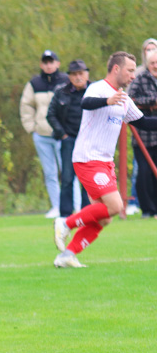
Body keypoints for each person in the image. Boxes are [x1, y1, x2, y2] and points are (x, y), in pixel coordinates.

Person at [54, 51, 157, 268]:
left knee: (104, 218)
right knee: (115, 205)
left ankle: (67, 255)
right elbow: (86, 103)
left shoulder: (124, 98)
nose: (133, 76)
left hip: (104, 163)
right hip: (88, 159)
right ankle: (66, 222)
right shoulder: (98, 88)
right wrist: (108, 100)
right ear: (116, 69)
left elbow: (144, 123)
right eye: (130, 71)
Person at [20, 50, 69, 219]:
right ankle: (56, 206)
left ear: (57, 63)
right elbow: (26, 106)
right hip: (42, 134)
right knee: (50, 173)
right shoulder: (35, 83)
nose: (48, 65)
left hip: (62, 134)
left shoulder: (66, 81)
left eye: (51, 61)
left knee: (68, 171)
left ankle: (72, 206)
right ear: (41, 64)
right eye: (45, 62)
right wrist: (31, 127)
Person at [47, 59, 91, 217]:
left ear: (87, 74)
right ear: (69, 76)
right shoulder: (61, 91)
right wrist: (63, 135)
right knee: (67, 177)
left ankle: (87, 213)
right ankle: (65, 214)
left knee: (87, 178)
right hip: (69, 140)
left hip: (88, 141)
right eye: (74, 74)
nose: (78, 77)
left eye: (81, 73)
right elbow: (50, 115)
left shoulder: (94, 91)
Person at [126, 50, 157, 218]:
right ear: (148, 64)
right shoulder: (140, 78)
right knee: (143, 173)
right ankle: (147, 209)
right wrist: (152, 102)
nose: (155, 66)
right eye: (152, 63)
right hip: (142, 136)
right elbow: (131, 99)